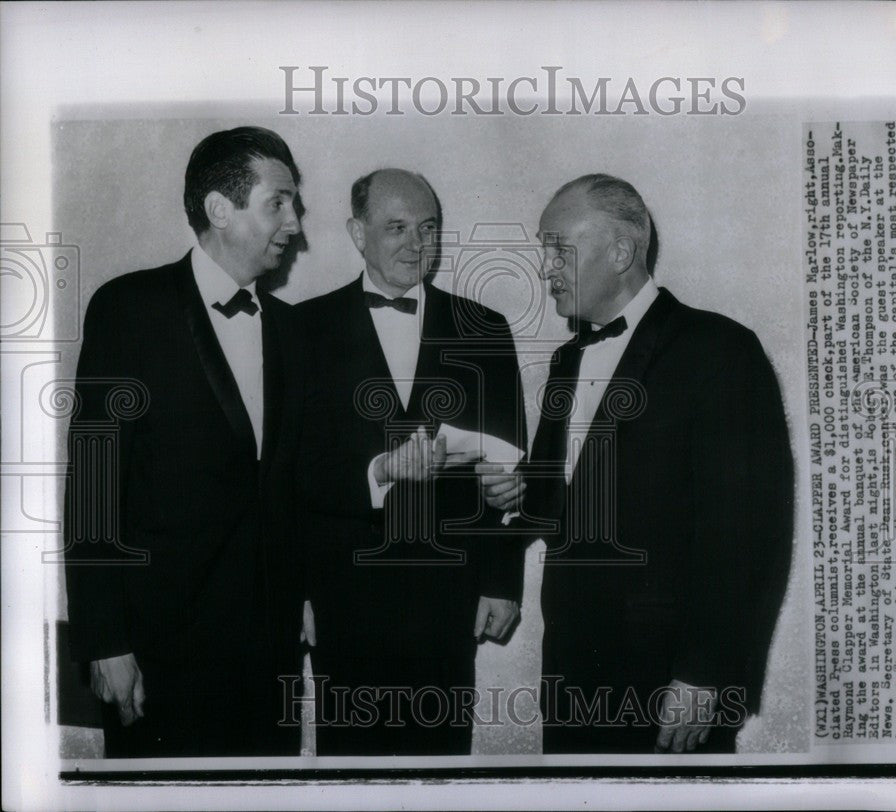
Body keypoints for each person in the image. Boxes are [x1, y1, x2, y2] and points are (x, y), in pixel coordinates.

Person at [480, 173, 793, 753]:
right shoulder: (566, 361)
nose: (544, 267)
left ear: (621, 250)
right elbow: (560, 494)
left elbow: (749, 532)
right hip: (573, 676)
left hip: (672, 682)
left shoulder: (720, 351)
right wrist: (520, 501)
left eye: (556, 247)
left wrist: (707, 671)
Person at [63, 126, 308, 757]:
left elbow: (289, 491)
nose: (295, 222)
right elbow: (93, 486)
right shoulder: (129, 308)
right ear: (219, 209)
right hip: (158, 654)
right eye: (278, 202)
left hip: (268, 659)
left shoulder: (291, 329)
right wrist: (105, 640)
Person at [296, 168, 527, 755]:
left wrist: (503, 583)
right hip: (341, 593)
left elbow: (507, 470)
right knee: (352, 773)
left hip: (450, 595)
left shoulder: (485, 329)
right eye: (395, 227)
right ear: (357, 232)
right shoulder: (300, 329)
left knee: (439, 767)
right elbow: (289, 477)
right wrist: (293, 592)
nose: (416, 244)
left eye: (429, 227)